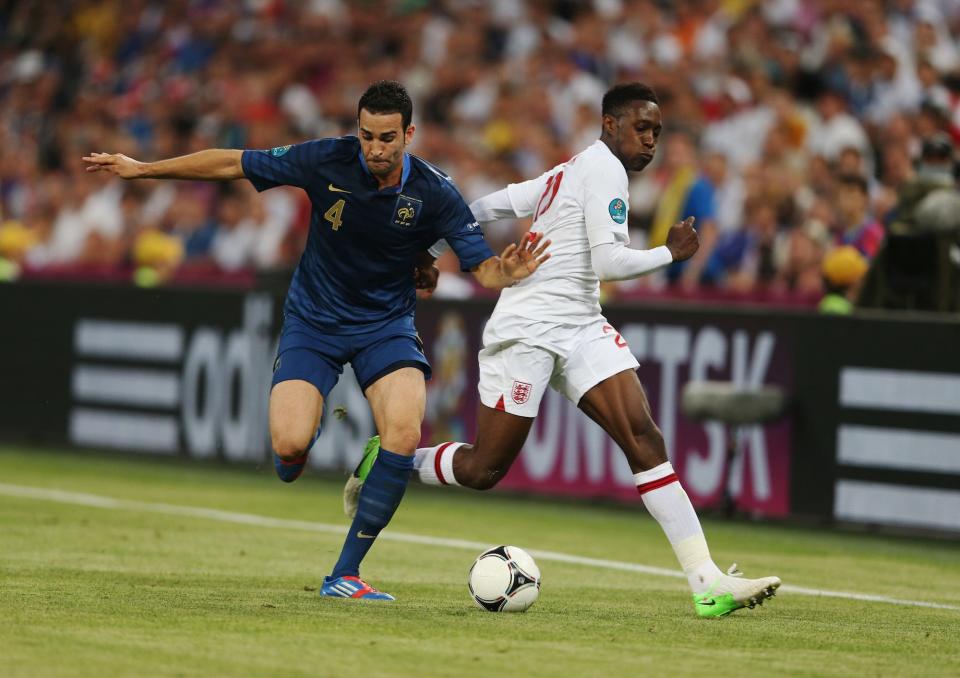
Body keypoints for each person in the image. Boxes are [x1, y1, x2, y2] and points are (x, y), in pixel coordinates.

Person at [83, 80, 550, 601]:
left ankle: (344, 573)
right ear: (358, 130)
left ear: (409, 134)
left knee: (403, 429)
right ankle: (307, 441)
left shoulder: (436, 193)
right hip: (314, 321)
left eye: (388, 138)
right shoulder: (326, 159)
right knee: (288, 449)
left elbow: (481, 266)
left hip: (385, 326)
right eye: (368, 135)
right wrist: (145, 169)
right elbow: (233, 163)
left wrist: (503, 271)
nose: (376, 148)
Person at [348, 82, 780, 618]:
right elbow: (608, 263)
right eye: (641, 128)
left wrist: (430, 248)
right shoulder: (602, 170)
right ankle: (391, 459)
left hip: (579, 324)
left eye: (657, 132)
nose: (651, 141)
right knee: (485, 469)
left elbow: (487, 203)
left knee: (643, 437)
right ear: (610, 125)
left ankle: (706, 582)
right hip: (527, 328)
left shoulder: (573, 169)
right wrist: (673, 251)